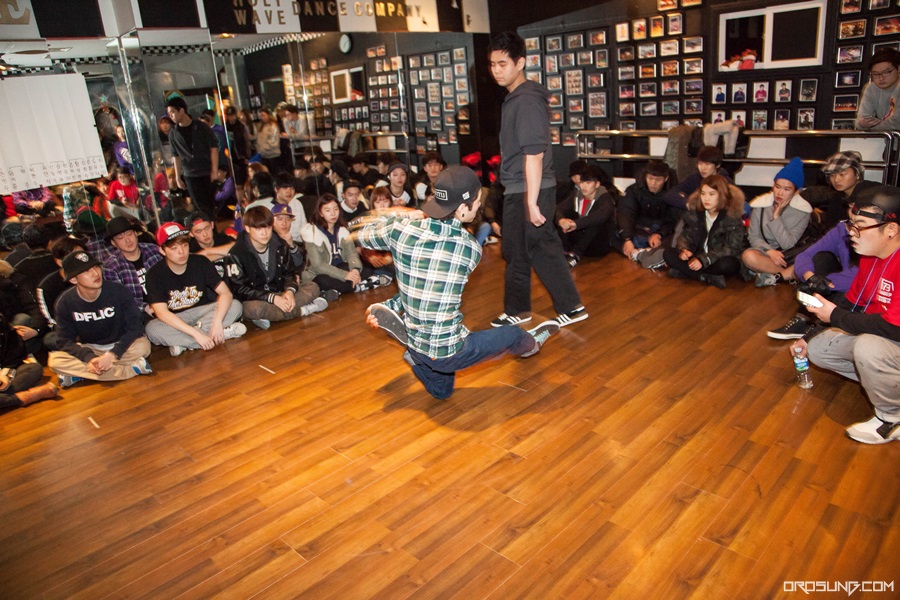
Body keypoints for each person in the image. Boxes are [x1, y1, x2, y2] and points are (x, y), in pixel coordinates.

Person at [357, 166, 560, 400]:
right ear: (462, 208)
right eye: (477, 201)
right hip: (449, 351)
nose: (479, 206)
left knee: (442, 391)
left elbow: (361, 234)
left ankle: (416, 352)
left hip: (421, 341)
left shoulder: (400, 230)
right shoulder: (469, 248)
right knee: (513, 335)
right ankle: (532, 344)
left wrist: (404, 215)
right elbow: (434, 280)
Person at [488, 31, 587, 328]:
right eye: (492, 64)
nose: (496, 70)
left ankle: (530, 310)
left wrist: (531, 203)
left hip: (528, 188)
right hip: (526, 187)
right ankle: (559, 308)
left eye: (502, 64)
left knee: (524, 248)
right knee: (531, 248)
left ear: (520, 63)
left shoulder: (527, 101)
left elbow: (534, 154)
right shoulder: (517, 98)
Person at [792, 186, 900, 444]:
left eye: (860, 226)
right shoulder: (871, 258)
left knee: (867, 347)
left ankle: (891, 417)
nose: (852, 232)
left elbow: (894, 328)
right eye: (852, 224)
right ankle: (885, 386)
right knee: (819, 349)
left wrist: (834, 316)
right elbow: (852, 303)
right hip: (888, 338)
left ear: (891, 229)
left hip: (892, 334)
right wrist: (809, 336)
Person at [48, 250, 152, 388]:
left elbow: (136, 327)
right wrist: (89, 358)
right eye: (86, 271)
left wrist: (113, 354)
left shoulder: (118, 291)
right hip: (91, 348)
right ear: (73, 279)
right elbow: (64, 341)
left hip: (122, 345)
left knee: (144, 347)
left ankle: (80, 374)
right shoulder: (65, 302)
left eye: (96, 267)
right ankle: (131, 370)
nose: (95, 273)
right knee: (55, 361)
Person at [145, 222, 246, 357]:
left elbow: (225, 293)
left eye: (184, 245)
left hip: (203, 312)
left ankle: (184, 343)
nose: (181, 252)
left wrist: (217, 323)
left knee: (235, 305)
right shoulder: (154, 274)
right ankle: (218, 335)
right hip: (176, 319)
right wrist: (195, 333)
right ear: (162, 251)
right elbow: (162, 313)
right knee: (152, 329)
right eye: (174, 248)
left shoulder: (200, 262)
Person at [224, 206, 326, 330]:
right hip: (256, 299)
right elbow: (239, 289)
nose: (264, 233)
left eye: (268, 227)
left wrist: (289, 291)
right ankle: (305, 310)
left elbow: (289, 273)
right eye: (258, 229)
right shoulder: (236, 254)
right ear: (247, 228)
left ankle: (276, 313)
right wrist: (271, 298)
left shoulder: (280, 245)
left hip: (279, 292)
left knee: (313, 286)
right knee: (253, 309)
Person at [664, 174, 747, 289]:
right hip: (697, 254)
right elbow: (685, 235)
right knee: (668, 253)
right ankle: (705, 277)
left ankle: (686, 272)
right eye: (703, 194)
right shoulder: (695, 213)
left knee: (730, 264)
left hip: (717, 258)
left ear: (721, 195)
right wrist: (684, 249)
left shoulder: (732, 217)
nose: (706, 199)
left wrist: (704, 260)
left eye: (711, 194)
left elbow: (732, 248)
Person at [741, 157, 814, 286]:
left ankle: (776, 275)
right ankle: (787, 276)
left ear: (796, 191)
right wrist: (769, 251)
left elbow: (787, 244)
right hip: (764, 252)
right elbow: (754, 236)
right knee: (748, 256)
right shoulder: (761, 204)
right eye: (777, 187)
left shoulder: (803, 211)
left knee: (809, 260)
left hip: (788, 256)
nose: (780, 193)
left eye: (787, 189)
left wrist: (776, 218)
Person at [300, 194, 391, 294]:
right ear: (320, 213)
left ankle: (338, 289)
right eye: (328, 210)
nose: (333, 213)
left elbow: (351, 254)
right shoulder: (312, 233)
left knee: (367, 269)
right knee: (322, 280)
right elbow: (318, 265)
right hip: (321, 272)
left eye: (336, 209)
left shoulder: (342, 231)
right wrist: (344, 275)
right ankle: (359, 286)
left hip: (341, 267)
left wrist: (355, 270)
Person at [616, 160, 679, 266]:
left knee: (675, 240)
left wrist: (659, 234)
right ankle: (646, 252)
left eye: (658, 180)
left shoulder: (673, 194)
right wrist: (627, 238)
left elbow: (673, 219)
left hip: (662, 230)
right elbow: (626, 214)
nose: (653, 183)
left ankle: (647, 252)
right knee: (616, 233)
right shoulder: (634, 190)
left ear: (666, 179)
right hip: (638, 228)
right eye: (650, 178)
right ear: (645, 176)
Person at [165, 97, 219, 216]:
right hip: (190, 174)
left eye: (172, 112)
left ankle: (211, 225)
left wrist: (214, 171)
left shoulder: (201, 127)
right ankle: (207, 225)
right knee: (199, 207)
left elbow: (214, 149)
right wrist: (178, 177)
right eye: (169, 113)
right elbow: (176, 156)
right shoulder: (173, 133)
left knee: (210, 206)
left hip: (206, 170)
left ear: (181, 110)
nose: (171, 116)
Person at [801, 151, 880, 231]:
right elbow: (831, 228)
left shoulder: (872, 195)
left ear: (857, 174)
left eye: (842, 174)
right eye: (832, 175)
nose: (836, 180)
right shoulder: (837, 197)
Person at [102, 217, 163, 319]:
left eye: (129, 234)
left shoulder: (154, 250)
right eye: (120, 238)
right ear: (113, 243)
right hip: (140, 314)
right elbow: (120, 298)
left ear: (136, 234)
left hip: (167, 301)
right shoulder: (111, 267)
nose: (127, 240)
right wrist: (145, 307)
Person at [555, 165, 616, 267]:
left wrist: (576, 224)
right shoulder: (576, 195)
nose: (584, 186)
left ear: (597, 184)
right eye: (582, 182)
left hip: (598, 244)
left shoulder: (605, 198)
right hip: (578, 241)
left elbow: (602, 215)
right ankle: (564, 251)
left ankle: (575, 255)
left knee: (596, 221)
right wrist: (561, 220)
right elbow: (558, 209)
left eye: (588, 183)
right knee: (563, 217)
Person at [0, 312, 58, 410]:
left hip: (3, 373)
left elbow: (13, 353)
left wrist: (4, 374)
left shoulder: (1, 321)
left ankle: (6, 398)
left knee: (34, 369)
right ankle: (23, 397)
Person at [663, 146, 731, 211]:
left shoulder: (726, 182)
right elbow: (669, 195)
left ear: (718, 165)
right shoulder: (695, 178)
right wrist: (687, 203)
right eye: (700, 163)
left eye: (707, 164)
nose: (703, 168)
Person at [855, 48, 900, 131]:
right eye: (875, 74)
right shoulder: (871, 88)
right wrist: (863, 123)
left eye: (886, 72)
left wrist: (870, 129)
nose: (881, 78)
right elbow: (859, 122)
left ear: (898, 69)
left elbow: (897, 123)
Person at [273, 172, 308, 244]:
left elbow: (304, 226)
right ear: (276, 189)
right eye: (285, 188)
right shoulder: (270, 207)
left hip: (298, 244)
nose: (289, 191)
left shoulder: (297, 203)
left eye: (292, 188)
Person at [255, 109, 283, 174]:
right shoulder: (262, 126)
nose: (262, 117)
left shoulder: (273, 126)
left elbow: (273, 139)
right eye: (261, 116)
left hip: (272, 154)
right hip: (264, 154)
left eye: (263, 115)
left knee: (274, 173)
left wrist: (265, 147)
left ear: (269, 115)